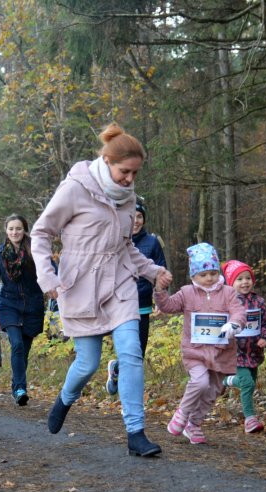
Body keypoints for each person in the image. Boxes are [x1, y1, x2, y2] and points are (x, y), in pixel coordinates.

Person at [31, 123, 173, 457]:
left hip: (120, 284)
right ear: (108, 161)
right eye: (125, 172)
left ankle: (135, 433)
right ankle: (66, 399)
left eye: (135, 174)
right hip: (79, 285)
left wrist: (152, 272)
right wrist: (47, 278)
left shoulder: (129, 199)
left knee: (130, 353)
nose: (129, 180)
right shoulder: (75, 189)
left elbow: (126, 246)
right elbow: (40, 233)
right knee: (88, 363)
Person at [153, 243, 245, 445]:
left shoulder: (229, 292)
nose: (209, 278)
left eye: (213, 273)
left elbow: (239, 311)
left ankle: (194, 424)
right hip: (195, 352)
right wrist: (160, 290)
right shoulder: (187, 293)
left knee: (213, 391)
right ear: (194, 276)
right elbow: (168, 306)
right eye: (203, 274)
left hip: (222, 352)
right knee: (200, 382)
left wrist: (234, 324)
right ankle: (182, 413)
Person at [0, 214, 45, 406]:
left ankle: (16, 384)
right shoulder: (0, 254)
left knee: (23, 351)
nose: (14, 232)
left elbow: (51, 270)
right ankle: (19, 388)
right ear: (6, 231)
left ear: (24, 229)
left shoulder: (36, 250)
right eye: (11, 229)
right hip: (9, 305)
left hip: (33, 306)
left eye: (18, 228)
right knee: (16, 344)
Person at [106, 199, 168, 395]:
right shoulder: (115, 240)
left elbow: (160, 271)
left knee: (138, 355)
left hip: (142, 304)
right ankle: (129, 397)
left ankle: (117, 369)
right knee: (129, 351)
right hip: (120, 303)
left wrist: (160, 297)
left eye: (139, 216)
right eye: (132, 216)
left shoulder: (152, 242)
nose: (136, 221)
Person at [222, 260, 266, 434]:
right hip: (235, 352)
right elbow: (219, 326)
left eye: (247, 278)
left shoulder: (259, 302)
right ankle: (250, 419)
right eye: (239, 279)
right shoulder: (227, 302)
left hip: (254, 352)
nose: (244, 282)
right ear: (231, 283)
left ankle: (225, 381)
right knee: (247, 383)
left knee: (250, 385)